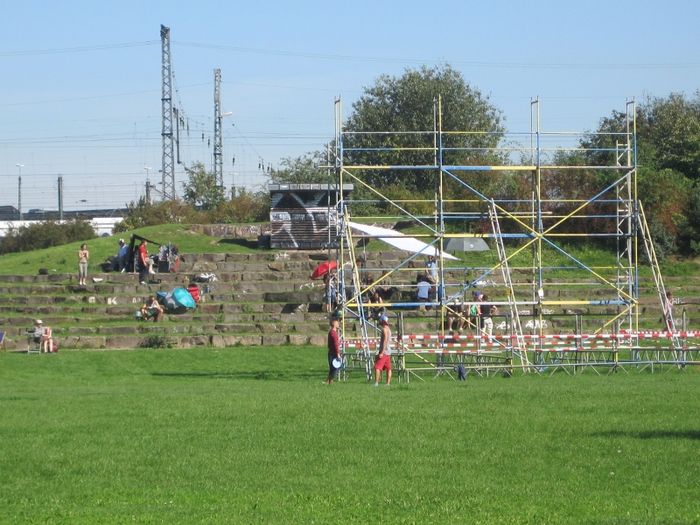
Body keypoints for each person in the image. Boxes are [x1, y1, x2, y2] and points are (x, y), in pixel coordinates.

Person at [374, 314, 392, 386]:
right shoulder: (389, 329)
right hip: (388, 352)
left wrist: (382, 352)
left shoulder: (384, 329)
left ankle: (376, 383)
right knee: (388, 368)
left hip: (384, 351)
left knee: (377, 367)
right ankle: (388, 383)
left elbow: (385, 341)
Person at [326, 317, 342, 384]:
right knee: (335, 367)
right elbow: (335, 344)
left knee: (333, 368)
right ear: (333, 324)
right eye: (337, 322)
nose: (338, 323)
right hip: (333, 353)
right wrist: (338, 353)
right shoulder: (333, 333)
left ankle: (329, 381)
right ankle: (329, 380)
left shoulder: (333, 332)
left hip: (332, 352)